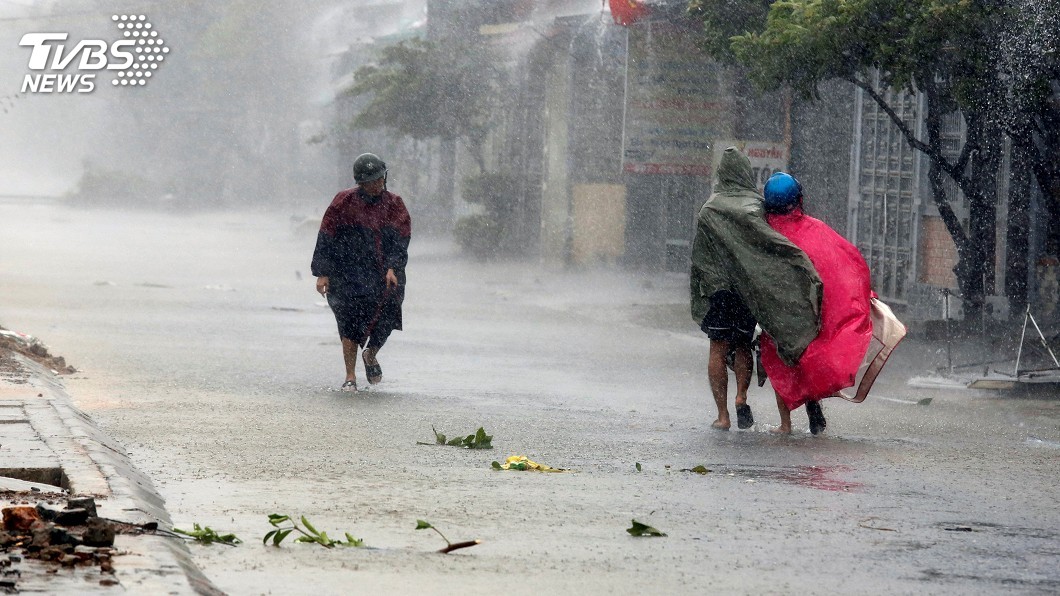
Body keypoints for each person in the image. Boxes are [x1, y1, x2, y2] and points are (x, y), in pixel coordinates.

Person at [690, 148, 823, 430]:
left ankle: (723, 415)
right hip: (749, 291)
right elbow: (768, 247)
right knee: (743, 346)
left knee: (717, 349)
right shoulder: (757, 206)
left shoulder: (708, 210)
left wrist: (703, 294)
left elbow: (699, 260)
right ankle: (742, 396)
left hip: (720, 292)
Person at [757, 172, 873, 434]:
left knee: (779, 362)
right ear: (798, 199)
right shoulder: (816, 229)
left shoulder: (764, 235)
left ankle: (785, 424)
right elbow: (845, 262)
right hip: (809, 311)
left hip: (778, 311)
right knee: (808, 357)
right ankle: (812, 404)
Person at [312, 153, 411, 392]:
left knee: (387, 313)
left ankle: (371, 352)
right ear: (360, 182)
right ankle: (350, 376)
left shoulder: (394, 204)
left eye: (379, 179)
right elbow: (326, 235)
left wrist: (393, 267)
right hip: (347, 272)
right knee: (347, 322)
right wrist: (322, 272)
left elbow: (401, 239)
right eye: (370, 181)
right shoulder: (343, 202)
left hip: (383, 272)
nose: (376, 185)